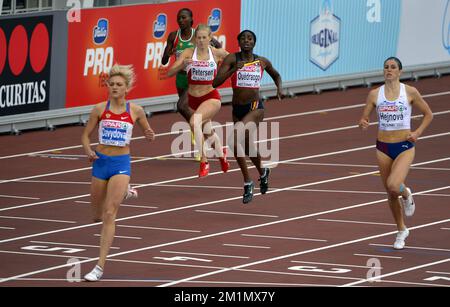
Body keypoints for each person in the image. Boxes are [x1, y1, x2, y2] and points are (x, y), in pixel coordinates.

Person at [81, 64, 155, 281]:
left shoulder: (136, 110)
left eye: (118, 85)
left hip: (121, 163)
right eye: (111, 84)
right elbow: (85, 136)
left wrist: (149, 133)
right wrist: (88, 150)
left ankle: (99, 267)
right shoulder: (99, 109)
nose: (114, 87)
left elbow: (147, 130)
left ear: (126, 88)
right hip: (101, 162)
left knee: (109, 214)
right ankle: (124, 192)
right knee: (96, 215)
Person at [358, 57, 433, 249]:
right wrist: (363, 122)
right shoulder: (375, 94)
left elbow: (429, 114)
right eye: (386, 67)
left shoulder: (409, 92)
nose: (389, 70)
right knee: (390, 193)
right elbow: (364, 117)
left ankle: (406, 193)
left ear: (400, 71)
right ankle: (401, 230)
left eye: (393, 67)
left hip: (404, 147)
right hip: (383, 147)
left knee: (393, 185)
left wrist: (417, 133)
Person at [213, 30, 282, 204]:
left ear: (254, 43)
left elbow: (276, 75)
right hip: (237, 109)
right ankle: (263, 172)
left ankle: (247, 182)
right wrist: (232, 71)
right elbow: (215, 82)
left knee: (233, 141)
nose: (246, 41)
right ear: (238, 42)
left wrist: (279, 88)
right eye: (243, 38)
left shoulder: (262, 61)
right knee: (246, 146)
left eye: (249, 38)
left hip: (255, 108)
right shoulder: (232, 59)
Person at [168, 24, 230, 177]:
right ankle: (222, 158)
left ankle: (204, 161)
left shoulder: (216, 53)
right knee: (208, 132)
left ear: (210, 38)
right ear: (195, 39)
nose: (201, 41)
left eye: (204, 38)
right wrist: (182, 65)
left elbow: (235, 61)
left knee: (194, 123)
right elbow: (170, 72)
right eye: (199, 38)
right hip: (193, 100)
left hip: (211, 98)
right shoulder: (189, 53)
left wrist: (226, 73)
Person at [162, 9, 221, 161]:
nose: (180, 20)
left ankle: (199, 137)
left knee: (181, 106)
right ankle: (204, 133)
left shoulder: (199, 35)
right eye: (178, 18)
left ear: (191, 20)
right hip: (181, 79)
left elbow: (217, 47)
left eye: (183, 17)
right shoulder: (174, 36)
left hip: (196, 80)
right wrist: (169, 53)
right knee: (189, 110)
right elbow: (164, 60)